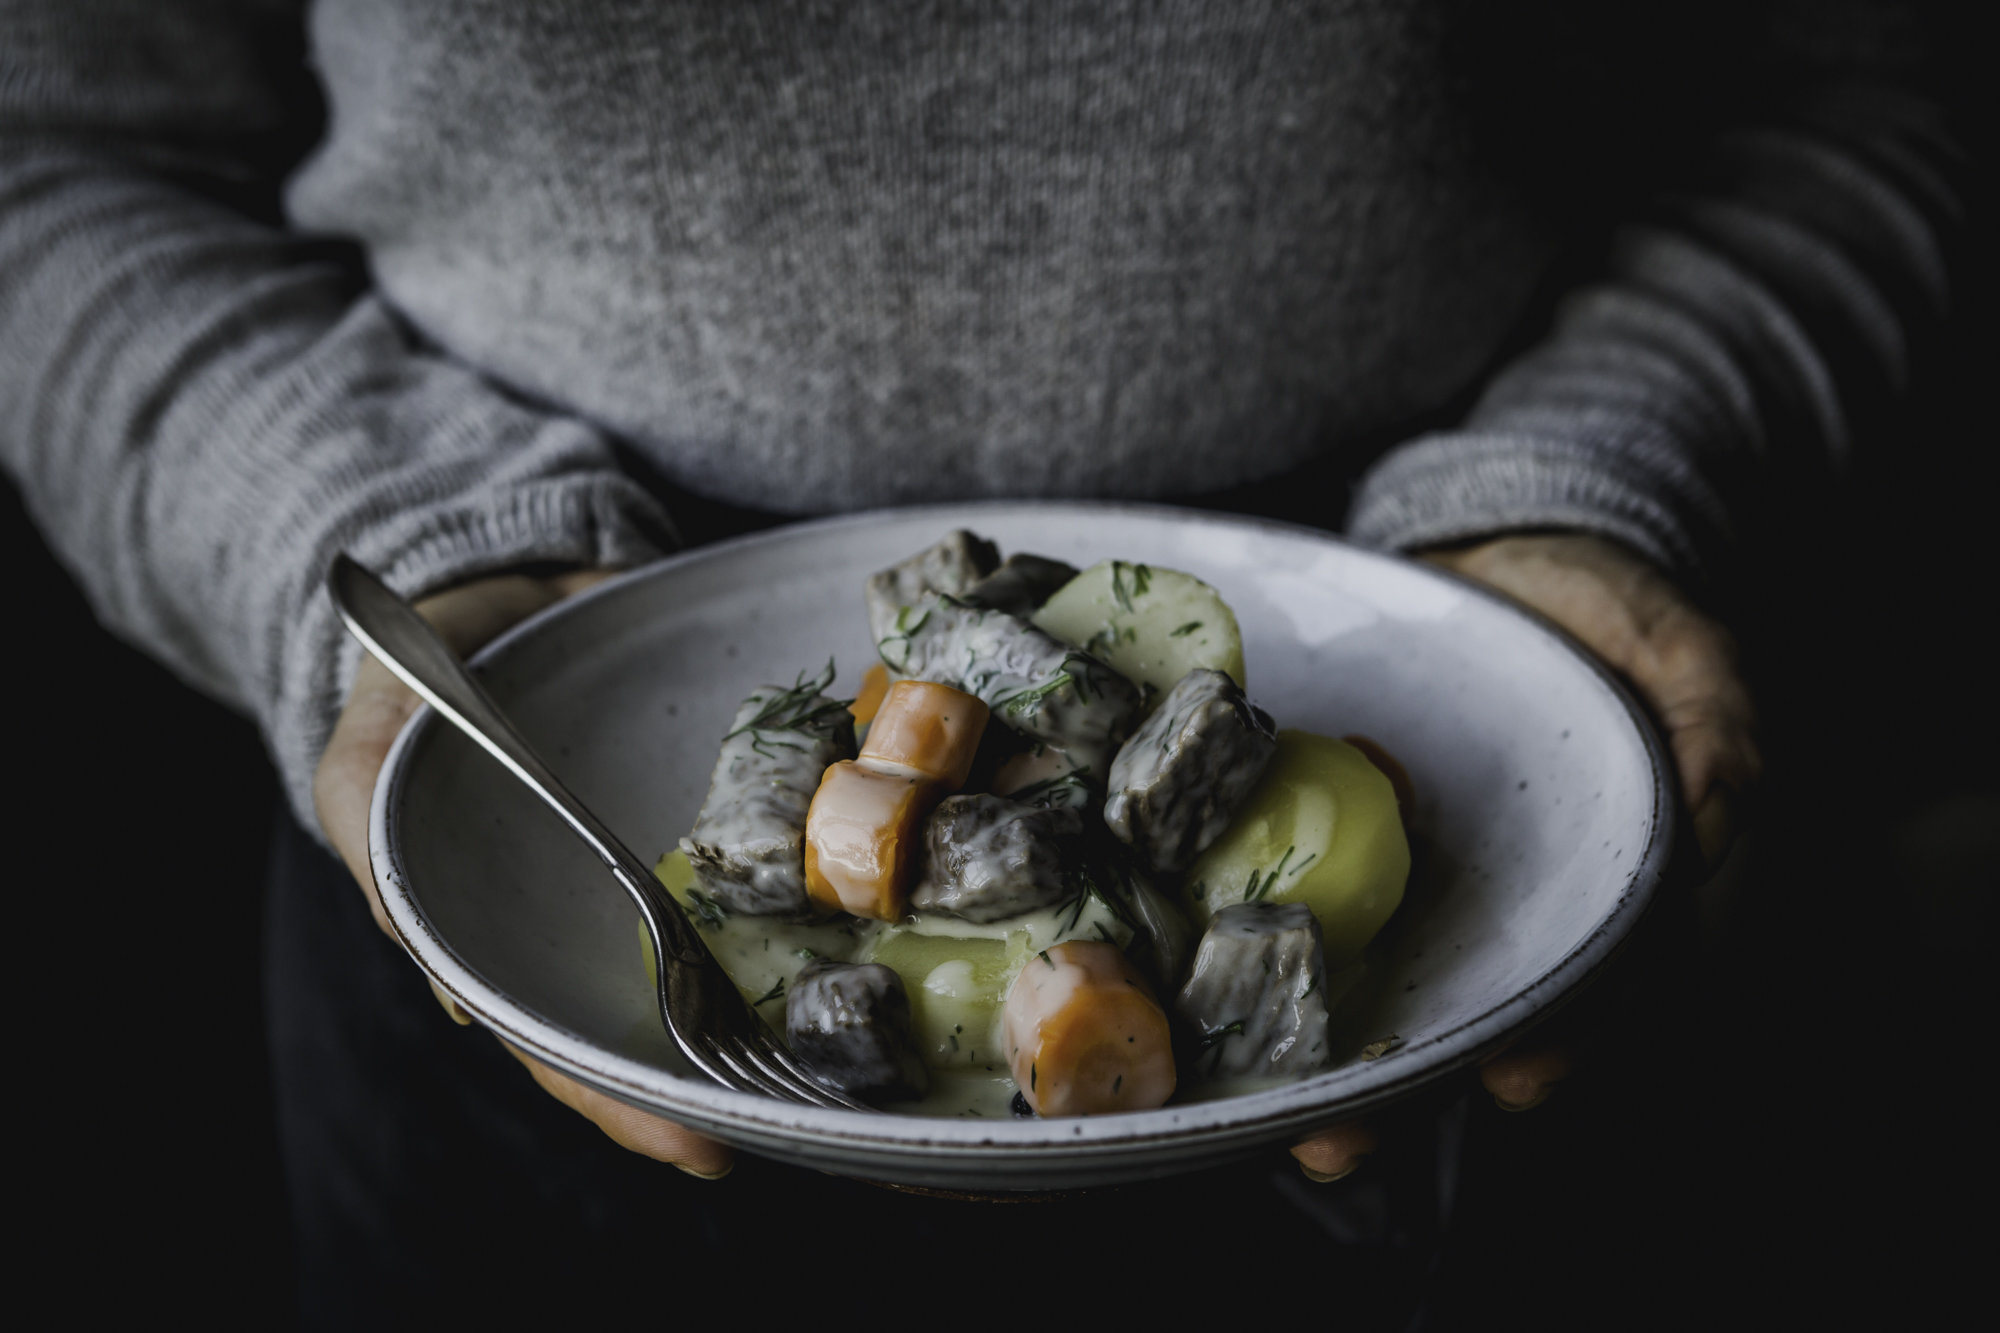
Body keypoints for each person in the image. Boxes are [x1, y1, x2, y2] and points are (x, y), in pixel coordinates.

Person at [1, 1, 1964, 1324]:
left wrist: (1604, 472)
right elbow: (55, 155)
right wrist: (400, 541)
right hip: (540, 766)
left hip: (1460, 762)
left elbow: (1879, 66)